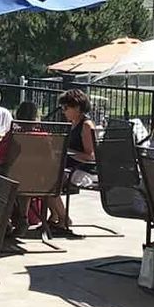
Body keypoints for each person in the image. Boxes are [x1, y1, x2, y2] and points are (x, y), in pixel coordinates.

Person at [46, 89, 97, 236]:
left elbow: (91, 156)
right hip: (69, 166)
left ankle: (64, 219)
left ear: (77, 107)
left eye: (66, 108)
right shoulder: (73, 123)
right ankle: (55, 215)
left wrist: (67, 151)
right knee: (41, 178)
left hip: (83, 169)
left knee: (48, 183)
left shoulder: (86, 126)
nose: (63, 111)